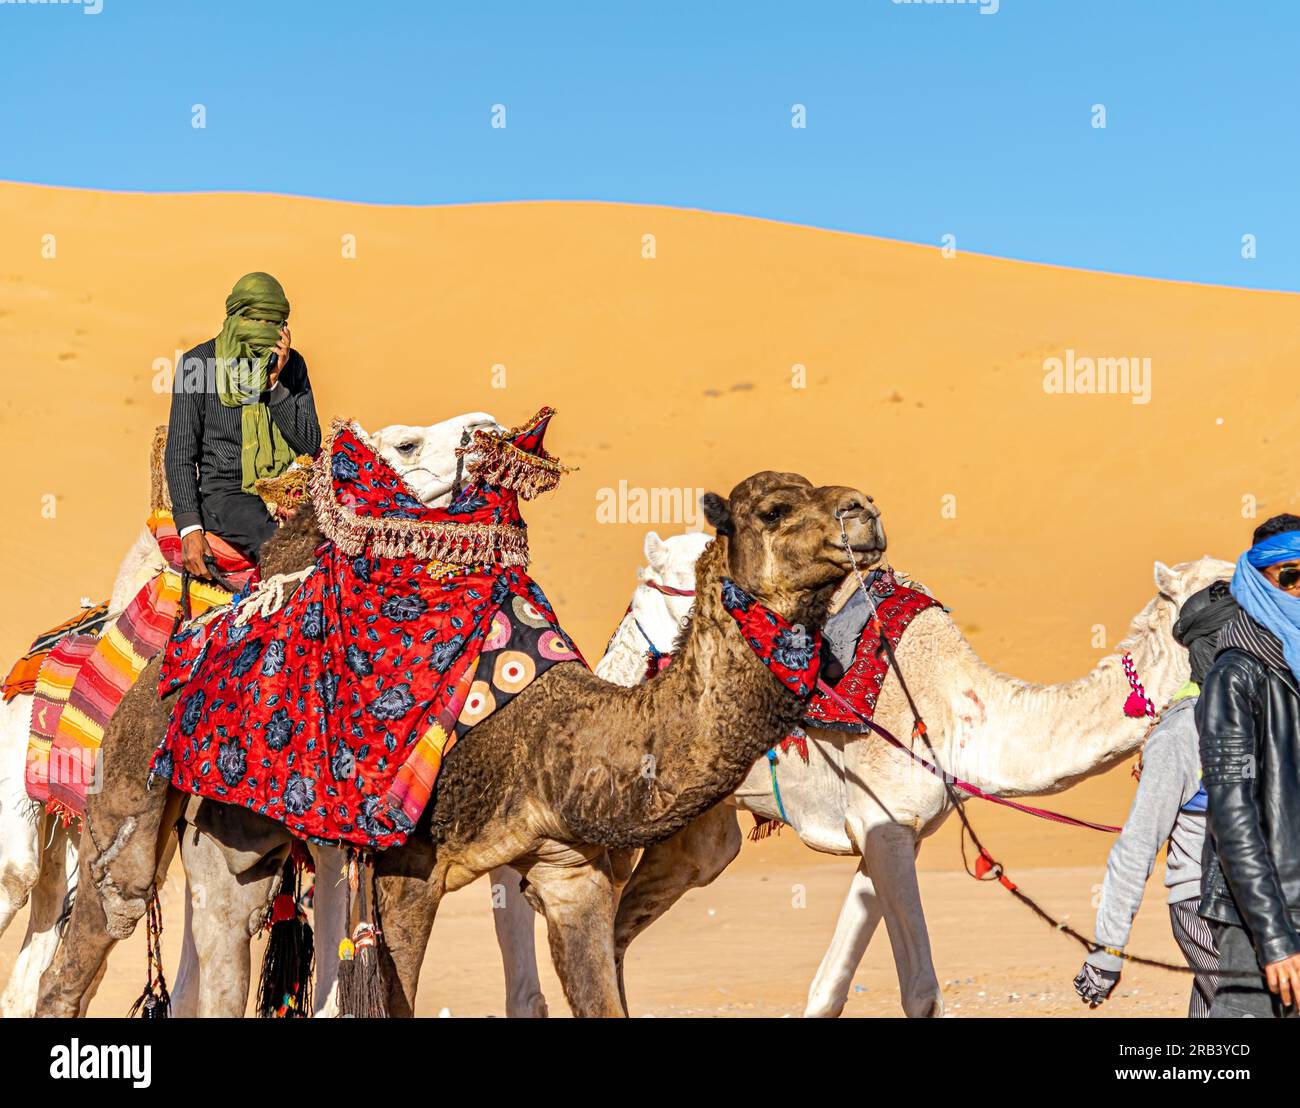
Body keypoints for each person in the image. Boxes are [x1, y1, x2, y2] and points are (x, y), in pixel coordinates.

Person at [1074, 582, 1237, 1015]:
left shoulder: (1259, 713)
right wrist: (1107, 953)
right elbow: (1137, 846)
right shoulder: (1180, 735)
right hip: (1204, 909)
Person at [1197, 513, 1300, 1018]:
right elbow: (1232, 816)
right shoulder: (1235, 676)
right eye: (1292, 576)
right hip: (1259, 911)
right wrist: (1275, 937)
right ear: (1256, 578)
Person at [165, 272, 321, 574]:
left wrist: (275, 385)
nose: (266, 330)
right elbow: (180, 455)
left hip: (288, 488)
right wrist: (189, 528)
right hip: (228, 494)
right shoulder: (198, 365)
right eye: (256, 320)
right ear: (235, 317)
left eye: (274, 322)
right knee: (288, 553)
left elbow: (309, 444)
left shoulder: (292, 365)